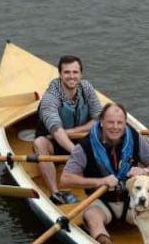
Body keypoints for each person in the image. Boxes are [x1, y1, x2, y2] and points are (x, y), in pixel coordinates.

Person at [59, 103, 149, 244]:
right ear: (101, 122)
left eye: (120, 123)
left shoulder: (135, 138)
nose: (115, 127)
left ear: (125, 123)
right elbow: (65, 179)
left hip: (132, 201)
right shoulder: (84, 146)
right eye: (110, 122)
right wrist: (100, 182)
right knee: (91, 216)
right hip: (100, 202)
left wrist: (144, 170)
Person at [32, 54, 103, 204]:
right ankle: (55, 193)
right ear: (60, 74)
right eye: (67, 72)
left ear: (81, 74)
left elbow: (98, 118)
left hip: (80, 138)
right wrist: (78, 153)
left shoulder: (86, 88)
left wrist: (73, 132)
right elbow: (57, 131)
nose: (72, 76)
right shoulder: (50, 97)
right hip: (55, 142)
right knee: (39, 143)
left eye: (75, 72)